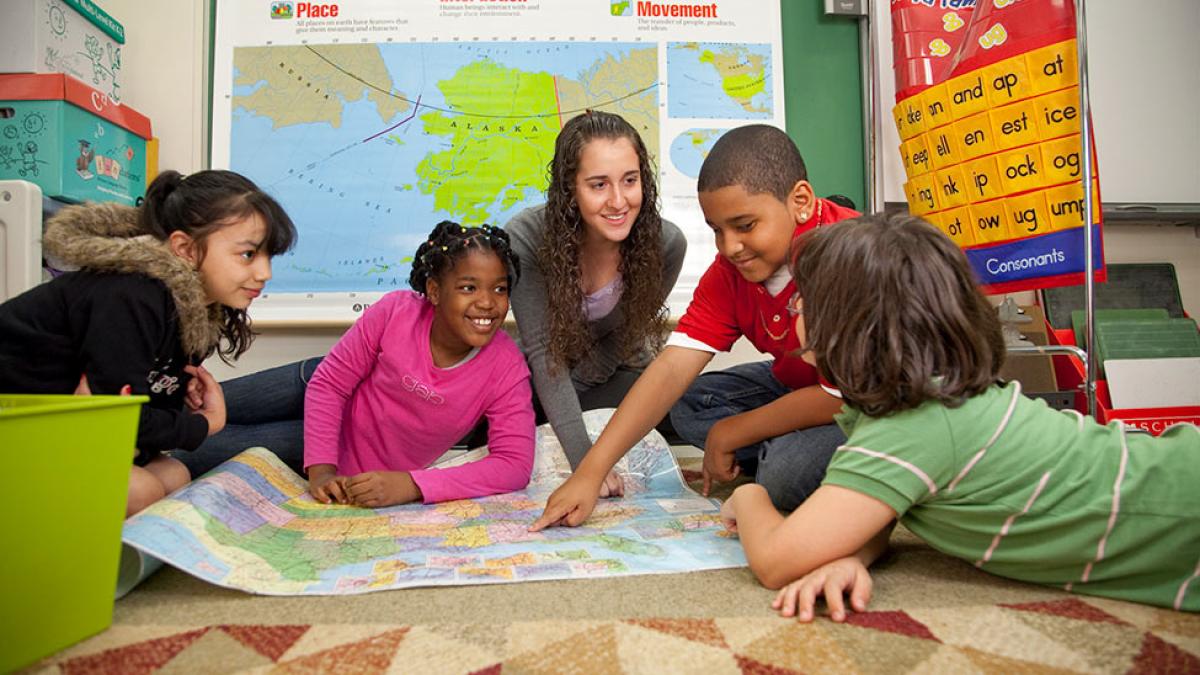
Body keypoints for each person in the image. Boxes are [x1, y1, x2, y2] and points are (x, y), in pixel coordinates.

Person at [720, 212, 1200, 619]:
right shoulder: (924, 403)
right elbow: (879, 511)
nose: (796, 309)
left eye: (804, 301)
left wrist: (748, 495)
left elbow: (776, 563)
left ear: (847, 328)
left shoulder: (913, 427)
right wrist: (845, 555)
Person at [531, 124, 860, 530]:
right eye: (716, 230)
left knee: (782, 476)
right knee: (688, 404)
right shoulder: (730, 271)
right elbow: (671, 368)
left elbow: (842, 396)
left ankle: (786, 452)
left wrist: (732, 432)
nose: (729, 247)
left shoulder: (848, 255)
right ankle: (784, 444)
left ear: (801, 201)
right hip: (798, 383)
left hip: (867, 401)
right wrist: (590, 472)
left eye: (745, 225)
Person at [0, 169, 297, 514]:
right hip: (19, 432)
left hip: (62, 432)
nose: (265, 273)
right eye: (248, 254)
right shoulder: (131, 295)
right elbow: (117, 422)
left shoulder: (196, 308)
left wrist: (178, 407)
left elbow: (134, 419)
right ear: (184, 248)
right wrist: (204, 423)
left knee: (174, 474)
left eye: (268, 256)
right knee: (139, 490)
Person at [505, 110, 686, 478]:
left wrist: (577, 389)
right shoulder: (526, 238)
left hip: (615, 376)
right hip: (546, 378)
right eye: (599, 185)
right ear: (569, 187)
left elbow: (624, 337)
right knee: (497, 411)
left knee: (677, 403)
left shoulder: (666, 244)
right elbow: (544, 354)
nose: (619, 201)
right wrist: (586, 466)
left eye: (630, 180)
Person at [303, 221, 535, 507]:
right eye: (468, 287)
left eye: (499, 289)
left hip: (319, 432)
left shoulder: (507, 367)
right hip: (321, 415)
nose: (487, 302)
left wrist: (412, 483)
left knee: (239, 439)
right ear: (434, 291)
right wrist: (323, 472)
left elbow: (514, 465)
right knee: (231, 411)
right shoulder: (395, 311)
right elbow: (328, 385)